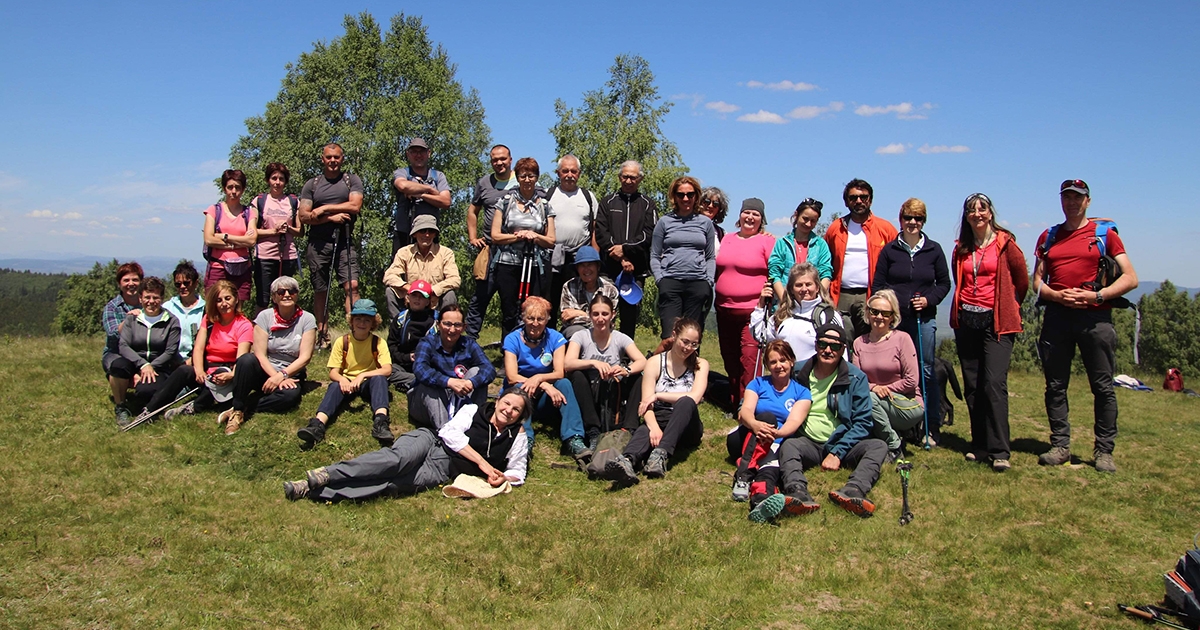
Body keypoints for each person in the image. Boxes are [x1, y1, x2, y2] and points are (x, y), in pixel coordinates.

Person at [1033, 179, 1138, 474]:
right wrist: (1054, 295)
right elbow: (1036, 280)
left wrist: (1096, 296)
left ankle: (1104, 451)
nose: (1071, 203)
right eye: (1066, 197)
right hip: (1057, 317)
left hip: (1096, 318)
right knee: (1055, 385)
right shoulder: (1049, 236)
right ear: (1061, 201)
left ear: (1087, 201)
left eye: (1077, 198)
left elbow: (1130, 277)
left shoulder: (1105, 235)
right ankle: (1060, 446)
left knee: (1103, 386)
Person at [283, 387, 532, 502]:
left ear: (520, 416)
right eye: (506, 403)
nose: (508, 411)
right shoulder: (474, 409)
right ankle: (326, 474)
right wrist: (484, 465)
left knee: (390, 485)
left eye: (515, 410)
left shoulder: (517, 435)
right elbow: (450, 433)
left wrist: (503, 478)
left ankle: (313, 490)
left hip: (442, 470)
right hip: (431, 442)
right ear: (498, 400)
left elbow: (518, 471)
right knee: (394, 462)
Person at [773, 322, 887, 519]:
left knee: (878, 446)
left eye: (834, 346)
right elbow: (771, 389)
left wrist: (837, 452)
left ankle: (854, 490)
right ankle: (796, 492)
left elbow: (863, 422)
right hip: (807, 441)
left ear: (843, 349)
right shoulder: (799, 372)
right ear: (815, 345)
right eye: (822, 344)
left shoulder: (856, 378)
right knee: (789, 446)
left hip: (841, 442)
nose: (827, 350)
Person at [949, 193, 1028, 472]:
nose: (977, 214)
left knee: (993, 384)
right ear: (966, 216)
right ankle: (979, 444)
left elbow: (1021, 281)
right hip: (967, 321)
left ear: (991, 213)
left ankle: (999, 450)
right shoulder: (961, 248)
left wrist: (1009, 305)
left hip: (997, 324)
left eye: (982, 209)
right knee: (973, 385)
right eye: (971, 210)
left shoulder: (1007, 245)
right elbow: (958, 280)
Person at [871, 198, 950, 446]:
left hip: (922, 320)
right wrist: (889, 308)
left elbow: (944, 284)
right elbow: (879, 285)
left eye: (918, 218)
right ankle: (902, 422)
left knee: (926, 371)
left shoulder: (934, 250)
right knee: (896, 371)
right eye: (908, 218)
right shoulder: (890, 250)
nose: (913, 223)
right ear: (901, 219)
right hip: (895, 322)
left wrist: (928, 300)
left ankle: (930, 426)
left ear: (924, 221)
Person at [605, 317, 709, 485]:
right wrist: (653, 428)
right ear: (674, 335)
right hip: (660, 418)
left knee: (685, 401)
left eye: (694, 344)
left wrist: (659, 395)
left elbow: (695, 397)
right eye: (685, 341)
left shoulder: (700, 364)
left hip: (687, 425)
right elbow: (646, 403)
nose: (688, 348)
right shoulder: (654, 362)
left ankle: (660, 454)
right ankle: (627, 461)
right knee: (644, 430)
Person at [731, 341, 815, 522]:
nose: (779, 366)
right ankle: (743, 476)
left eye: (783, 360)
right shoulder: (758, 383)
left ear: (792, 361)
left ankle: (761, 502)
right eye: (773, 362)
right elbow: (745, 411)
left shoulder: (802, 392)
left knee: (769, 471)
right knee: (767, 418)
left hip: (777, 442)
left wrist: (776, 434)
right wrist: (756, 425)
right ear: (767, 365)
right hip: (747, 437)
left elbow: (794, 421)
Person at [296, 299, 393, 449]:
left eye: (367, 320)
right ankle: (317, 424)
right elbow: (333, 372)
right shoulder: (343, 341)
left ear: (373, 323)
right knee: (335, 386)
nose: (362, 323)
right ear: (352, 321)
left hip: (368, 382)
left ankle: (381, 422)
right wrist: (343, 380)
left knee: (380, 379)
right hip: (347, 381)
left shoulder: (378, 342)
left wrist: (362, 376)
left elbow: (387, 369)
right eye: (358, 319)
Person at [226, 276, 316, 434]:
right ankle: (237, 411)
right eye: (281, 291)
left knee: (290, 397)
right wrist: (275, 376)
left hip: (291, 373)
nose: (287, 294)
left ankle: (246, 406)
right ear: (274, 297)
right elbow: (260, 354)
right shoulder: (264, 317)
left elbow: (305, 358)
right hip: (266, 369)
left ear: (297, 295)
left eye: (292, 291)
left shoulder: (307, 319)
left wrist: (282, 376)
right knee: (245, 360)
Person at [501, 296, 588, 459]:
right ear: (523, 318)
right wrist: (544, 384)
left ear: (547, 319)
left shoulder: (556, 338)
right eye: (530, 318)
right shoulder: (512, 339)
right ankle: (525, 440)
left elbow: (559, 372)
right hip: (520, 394)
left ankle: (574, 438)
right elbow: (512, 376)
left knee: (564, 383)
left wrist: (539, 378)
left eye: (540, 319)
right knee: (520, 388)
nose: (535, 323)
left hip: (545, 400)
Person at [298, 142, 364, 349]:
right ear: (322, 159)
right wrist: (330, 219)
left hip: (345, 241)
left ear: (342, 158)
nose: (333, 161)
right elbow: (304, 216)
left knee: (351, 286)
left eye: (336, 157)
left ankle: (356, 332)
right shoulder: (312, 184)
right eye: (329, 157)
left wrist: (325, 208)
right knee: (321, 289)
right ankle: (323, 335)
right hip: (318, 244)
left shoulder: (351, 180)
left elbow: (355, 205)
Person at [163, 280, 255, 424]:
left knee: (217, 378)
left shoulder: (244, 325)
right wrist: (199, 371)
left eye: (227, 298)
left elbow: (242, 356)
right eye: (219, 300)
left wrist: (231, 375)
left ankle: (193, 407)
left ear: (236, 299)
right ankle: (152, 407)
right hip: (206, 369)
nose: (224, 304)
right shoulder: (209, 320)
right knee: (183, 371)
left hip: (226, 373)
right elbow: (198, 348)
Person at [714, 198, 776, 407]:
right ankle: (733, 400)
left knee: (750, 360)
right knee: (729, 357)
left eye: (755, 214)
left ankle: (748, 404)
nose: (750, 217)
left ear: (761, 219)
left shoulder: (767, 241)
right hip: (723, 308)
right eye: (746, 212)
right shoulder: (727, 239)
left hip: (753, 312)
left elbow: (776, 272)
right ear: (739, 216)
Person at [564, 294, 648, 448]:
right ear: (590, 315)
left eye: (605, 314)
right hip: (588, 391)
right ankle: (593, 430)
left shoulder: (620, 338)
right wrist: (593, 363)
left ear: (613, 315)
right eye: (595, 314)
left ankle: (629, 428)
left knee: (640, 378)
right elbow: (568, 363)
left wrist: (625, 369)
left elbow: (642, 361)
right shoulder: (581, 336)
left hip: (612, 390)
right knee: (576, 375)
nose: (600, 319)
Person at [823, 179, 898, 345]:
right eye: (853, 197)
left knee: (870, 339)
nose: (859, 201)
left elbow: (897, 261)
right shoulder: (836, 228)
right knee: (842, 337)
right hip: (841, 294)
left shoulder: (885, 228)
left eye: (863, 197)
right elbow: (825, 260)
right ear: (846, 201)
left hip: (871, 293)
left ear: (870, 200)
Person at [853, 289, 924, 461]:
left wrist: (885, 389)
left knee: (868, 399)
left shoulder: (902, 339)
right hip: (875, 400)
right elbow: (857, 380)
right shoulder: (858, 343)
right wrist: (875, 388)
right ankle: (890, 440)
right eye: (875, 311)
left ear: (893, 317)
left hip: (907, 404)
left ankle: (893, 446)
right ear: (867, 313)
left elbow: (912, 380)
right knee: (866, 398)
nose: (879, 317)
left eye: (885, 313)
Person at [490, 157, 556, 337]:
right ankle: (508, 351)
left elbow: (551, 240)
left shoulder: (545, 205)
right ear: (517, 177)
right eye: (523, 176)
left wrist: (535, 236)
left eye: (531, 176)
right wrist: (516, 236)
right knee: (509, 309)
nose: (527, 180)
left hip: (536, 264)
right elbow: (495, 235)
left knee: (534, 308)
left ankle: (533, 349)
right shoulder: (505, 201)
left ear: (537, 177)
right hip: (507, 263)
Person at [408, 304, 496, 430]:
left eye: (457, 325)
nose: (452, 329)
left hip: (459, 398)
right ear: (438, 324)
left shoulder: (469, 344)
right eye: (447, 324)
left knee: (477, 372)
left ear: (464, 327)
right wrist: (449, 382)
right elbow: (420, 369)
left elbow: (489, 369)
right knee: (428, 385)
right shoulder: (427, 342)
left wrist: (471, 382)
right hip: (427, 404)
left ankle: (474, 423)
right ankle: (445, 431)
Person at [596, 160, 657, 339]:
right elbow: (601, 233)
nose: (629, 181)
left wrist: (626, 251)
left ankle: (626, 356)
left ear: (640, 179)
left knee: (630, 315)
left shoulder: (647, 204)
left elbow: (649, 234)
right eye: (625, 176)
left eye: (633, 177)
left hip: (635, 270)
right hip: (609, 267)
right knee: (604, 312)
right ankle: (604, 351)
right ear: (619, 177)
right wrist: (621, 257)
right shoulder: (607, 202)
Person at [651, 176, 716, 339]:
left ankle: (692, 365)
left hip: (698, 284)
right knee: (670, 335)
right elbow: (654, 255)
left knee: (691, 337)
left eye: (690, 194)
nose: (685, 199)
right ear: (674, 196)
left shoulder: (705, 223)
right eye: (681, 195)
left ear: (696, 196)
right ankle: (667, 365)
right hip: (670, 283)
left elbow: (710, 257)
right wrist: (660, 279)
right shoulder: (664, 222)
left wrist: (708, 281)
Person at [111, 277, 182, 428]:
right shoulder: (132, 319)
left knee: (145, 391)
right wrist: (143, 365)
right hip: (135, 362)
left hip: (159, 367)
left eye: (155, 297)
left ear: (162, 299)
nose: (151, 301)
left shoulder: (171, 321)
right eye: (147, 297)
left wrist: (152, 366)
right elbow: (123, 345)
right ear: (140, 298)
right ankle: (121, 406)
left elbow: (170, 351)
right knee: (117, 366)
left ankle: (147, 405)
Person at [465, 144, 519, 339]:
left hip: (515, 251)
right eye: (495, 160)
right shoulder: (485, 183)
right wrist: (472, 237)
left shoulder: (521, 180)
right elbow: (473, 211)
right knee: (479, 299)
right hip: (489, 250)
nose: (499, 163)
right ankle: (468, 343)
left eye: (503, 159)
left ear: (510, 159)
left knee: (510, 304)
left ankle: (509, 350)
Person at [544, 155, 600, 328]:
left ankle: (576, 339)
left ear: (579, 173)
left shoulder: (588, 197)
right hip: (551, 256)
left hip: (579, 258)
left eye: (573, 171)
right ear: (558, 173)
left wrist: (595, 256)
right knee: (550, 299)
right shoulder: (548, 195)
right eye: (565, 171)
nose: (569, 174)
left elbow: (594, 228)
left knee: (577, 299)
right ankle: (549, 340)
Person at [750, 262, 843, 365]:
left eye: (808, 284)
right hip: (786, 378)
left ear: (817, 287)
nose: (804, 289)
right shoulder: (783, 315)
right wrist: (760, 305)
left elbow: (841, 354)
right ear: (791, 289)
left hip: (815, 378)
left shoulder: (828, 316)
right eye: (798, 285)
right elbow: (760, 335)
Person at [382, 214, 460, 319]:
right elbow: (389, 276)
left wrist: (432, 290)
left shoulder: (446, 253)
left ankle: (443, 328)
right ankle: (398, 326)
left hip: (434, 303)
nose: (427, 235)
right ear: (414, 234)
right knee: (390, 291)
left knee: (450, 294)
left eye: (430, 231)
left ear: (435, 234)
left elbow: (455, 280)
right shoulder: (404, 252)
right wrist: (409, 288)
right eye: (423, 231)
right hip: (410, 302)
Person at [252, 162, 302, 310]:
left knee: (285, 297)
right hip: (264, 256)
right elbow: (252, 231)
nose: (277, 182)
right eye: (274, 178)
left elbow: (300, 231)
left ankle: (284, 329)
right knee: (263, 298)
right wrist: (274, 231)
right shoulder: (259, 201)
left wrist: (288, 229)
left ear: (285, 181)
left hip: (288, 256)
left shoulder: (293, 201)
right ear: (268, 180)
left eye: (281, 179)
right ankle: (260, 330)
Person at [202, 169, 258, 301]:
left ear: (243, 189)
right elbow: (209, 239)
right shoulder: (214, 210)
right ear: (224, 188)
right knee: (214, 308)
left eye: (238, 187)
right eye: (230, 187)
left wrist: (225, 236)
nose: (234, 191)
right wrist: (238, 243)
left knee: (238, 310)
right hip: (218, 267)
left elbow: (251, 241)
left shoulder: (249, 212)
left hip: (242, 269)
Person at [390, 137, 450, 253]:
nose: (418, 155)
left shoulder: (438, 176)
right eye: (414, 152)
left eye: (421, 151)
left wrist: (421, 195)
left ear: (428, 153)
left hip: (429, 233)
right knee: (400, 269)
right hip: (404, 232)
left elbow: (446, 201)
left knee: (431, 268)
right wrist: (430, 189)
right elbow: (402, 186)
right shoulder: (402, 172)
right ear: (408, 154)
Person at [103, 261, 144, 425]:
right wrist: (129, 319)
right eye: (126, 280)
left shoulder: (148, 303)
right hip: (116, 353)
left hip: (141, 353)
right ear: (119, 283)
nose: (131, 284)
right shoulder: (112, 307)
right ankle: (121, 407)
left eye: (135, 280)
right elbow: (113, 333)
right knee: (119, 366)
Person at [769, 198, 833, 300]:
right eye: (805, 219)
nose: (808, 224)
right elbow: (774, 274)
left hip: (812, 302)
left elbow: (826, 273)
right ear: (796, 215)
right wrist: (784, 301)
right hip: (785, 301)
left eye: (813, 221)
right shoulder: (782, 243)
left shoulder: (821, 245)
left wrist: (817, 299)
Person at [386, 279, 438, 394]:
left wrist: (422, 358)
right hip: (402, 364)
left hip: (426, 365)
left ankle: (411, 382)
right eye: (414, 295)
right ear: (408, 297)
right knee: (387, 371)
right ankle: (416, 382)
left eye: (422, 296)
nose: (417, 299)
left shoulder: (436, 321)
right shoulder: (400, 319)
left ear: (428, 301)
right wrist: (408, 358)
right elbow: (391, 346)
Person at [558, 246, 619, 339]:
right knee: (576, 332)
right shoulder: (569, 286)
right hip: (575, 332)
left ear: (598, 267)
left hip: (603, 331)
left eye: (590, 264)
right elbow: (568, 319)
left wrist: (580, 313)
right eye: (582, 265)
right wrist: (596, 317)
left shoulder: (611, 290)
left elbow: (607, 321)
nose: (586, 269)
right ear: (577, 269)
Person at [162, 261, 206, 367]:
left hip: (197, 360)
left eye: (186, 283)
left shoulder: (206, 309)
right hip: (170, 360)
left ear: (196, 283)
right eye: (178, 284)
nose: (182, 287)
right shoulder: (167, 308)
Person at [699, 186, 729, 254]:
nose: (710, 206)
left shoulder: (722, 234)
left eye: (715, 204)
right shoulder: (687, 225)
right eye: (707, 201)